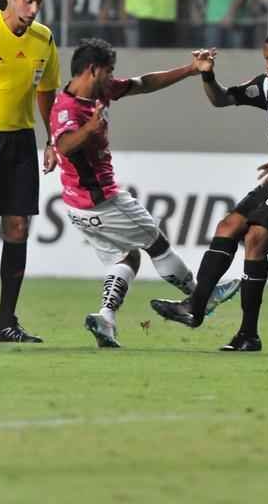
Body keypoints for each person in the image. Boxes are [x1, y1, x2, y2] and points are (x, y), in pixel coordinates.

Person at [150, 26, 268, 352]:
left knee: (256, 238)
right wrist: (207, 75)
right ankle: (195, 306)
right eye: (267, 59)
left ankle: (248, 334)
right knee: (229, 226)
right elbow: (222, 99)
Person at [50, 37, 240, 349]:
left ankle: (106, 319)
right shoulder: (69, 108)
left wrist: (191, 69)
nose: (113, 77)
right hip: (102, 201)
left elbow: (143, 83)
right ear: (93, 70)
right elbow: (64, 145)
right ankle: (201, 297)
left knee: (127, 257)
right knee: (157, 245)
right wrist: (89, 129)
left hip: (78, 207)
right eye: (109, 71)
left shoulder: (100, 90)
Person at [0, 0, 61, 343]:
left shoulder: (44, 39)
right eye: (28, 0)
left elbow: (47, 93)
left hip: (20, 142)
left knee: (18, 227)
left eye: (38, 2)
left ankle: (5, 323)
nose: (34, 9)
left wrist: (52, 139)